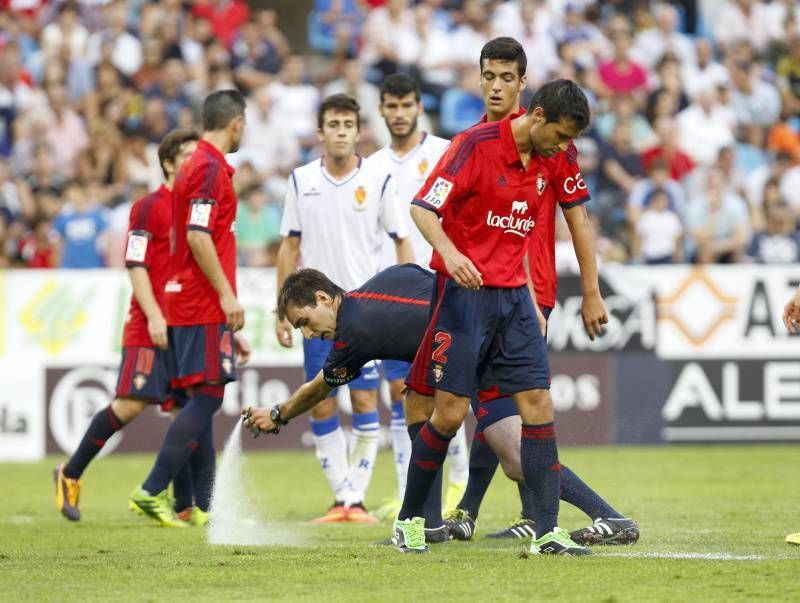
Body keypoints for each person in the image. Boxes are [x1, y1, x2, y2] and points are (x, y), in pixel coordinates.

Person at [243, 265, 633, 548]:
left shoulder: (353, 333)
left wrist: (277, 414)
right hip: (482, 333)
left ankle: (609, 516)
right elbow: (432, 288)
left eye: (305, 322)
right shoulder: (388, 277)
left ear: (324, 298)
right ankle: (428, 523)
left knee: (516, 459)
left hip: (487, 355)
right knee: (415, 402)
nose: (310, 334)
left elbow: (317, 391)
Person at [442, 38, 637, 546]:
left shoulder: (556, 145)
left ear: (524, 86)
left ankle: (588, 514)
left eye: (507, 77)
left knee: (503, 416)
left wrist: (590, 292)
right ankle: (494, 513)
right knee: (493, 408)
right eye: (489, 75)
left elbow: (580, 223)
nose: (497, 86)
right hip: (477, 293)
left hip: (526, 297)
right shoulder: (473, 143)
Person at [392, 77, 597, 556]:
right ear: (539, 116)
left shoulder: (552, 159)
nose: (566, 149)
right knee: (448, 415)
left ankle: (547, 531)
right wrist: (450, 252)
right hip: (463, 297)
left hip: (514, 301)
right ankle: (408, 520)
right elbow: (423, 209)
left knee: (539, 406)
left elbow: (526, 236)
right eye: (562, 137)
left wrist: (536, 297)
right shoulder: (473, 146)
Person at [274, 93, 413, 523]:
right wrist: (282, 310)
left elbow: (400, 239)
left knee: (368, 399)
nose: (339, 132)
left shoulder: (377, 180)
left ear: (358, 131)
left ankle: (358, 495)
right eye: (332, 124)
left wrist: (412, 299)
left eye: (347, 125)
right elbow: (289, 245)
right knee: (321, 402)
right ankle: (345, 498)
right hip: (318, 318)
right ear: (321, 133)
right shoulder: (301, 180)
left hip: (365, 311)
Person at [53, 128, 200, 524]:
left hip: (184, 325)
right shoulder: (149, 206)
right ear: (168, 163)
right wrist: (153, 314)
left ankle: (184, 506)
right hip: (147, 322)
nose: (194, 162)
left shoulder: (196, 210)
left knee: (183, 411)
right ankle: (69, 472)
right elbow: (134, 263)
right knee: (131, 404)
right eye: (187, 155)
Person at [129, 90, 252, 526]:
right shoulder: (209, 167)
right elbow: (200, 236)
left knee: (196, 400)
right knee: (209, 395)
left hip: (187, 299)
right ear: (236, 122)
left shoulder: (196, 167)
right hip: (200, 301)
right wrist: (225, 296)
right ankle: (151, 488)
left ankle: (201, 506)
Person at [368, 73, 469, 523]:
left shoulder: (444, 151)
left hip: (443, 285)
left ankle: (457, 484)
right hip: (396, 297)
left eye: (407, 104)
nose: (399, 113)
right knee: (401, 392)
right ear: (382, 109)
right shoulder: (370, 166)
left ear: (418, 106)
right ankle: (406, 490)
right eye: (391, 105)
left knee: (449, 389)